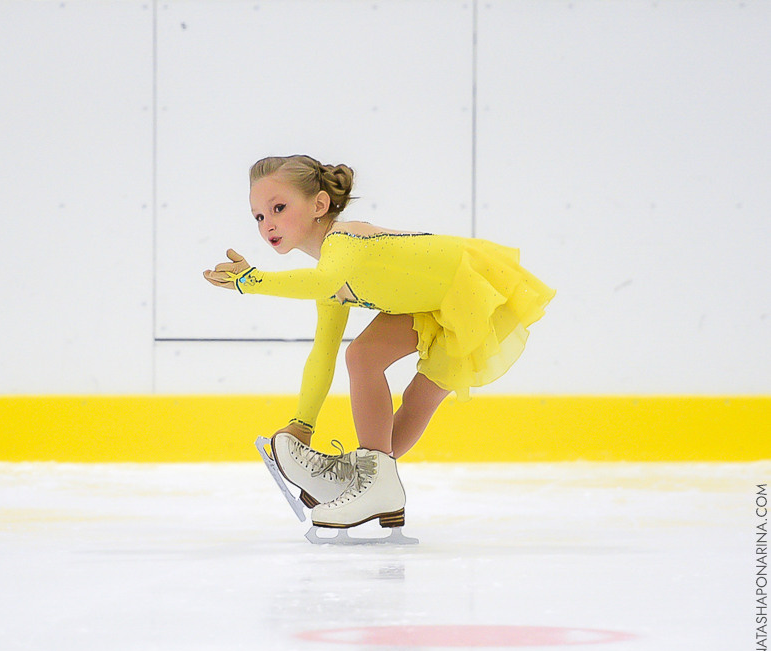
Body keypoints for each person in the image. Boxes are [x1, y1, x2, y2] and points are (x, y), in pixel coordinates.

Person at [204, 155, 554, 533]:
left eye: (278, 208)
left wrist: (251, 281)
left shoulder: (344, 241)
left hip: (472, 291)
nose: (267, 224)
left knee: (394, 378)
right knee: (363, 357)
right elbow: (323, 351)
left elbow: (319, 283)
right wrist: (302, 423)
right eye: (258, 216)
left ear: (319, 205)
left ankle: (376, 483)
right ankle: (369, 479)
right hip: (430, 303)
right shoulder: (331, 277)